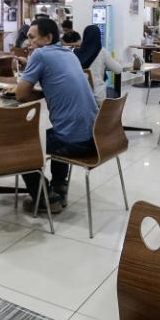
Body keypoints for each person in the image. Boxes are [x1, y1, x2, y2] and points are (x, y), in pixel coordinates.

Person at [15, 18, 99, 211]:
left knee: (19, 146)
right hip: (94, 137)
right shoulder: (69, 54)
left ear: (48, 38)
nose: (29, 42)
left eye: (32, 37)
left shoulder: (41, 55)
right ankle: (59, 188)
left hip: (73, 142)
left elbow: (20, 95)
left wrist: (30, 88)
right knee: (57, 131)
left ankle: (46, 198)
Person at [76, 24, 123, 104]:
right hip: (97, 97)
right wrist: (118, 62)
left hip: (79, 97)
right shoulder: (102, 52)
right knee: (114, 93)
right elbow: (118, 70)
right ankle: (111, 115)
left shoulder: (76, 52)